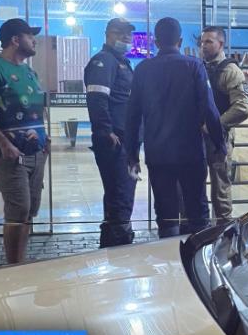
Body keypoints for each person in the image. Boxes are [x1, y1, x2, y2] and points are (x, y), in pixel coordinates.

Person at [125, 18, 227, 238]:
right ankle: (199, 251)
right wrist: (220, 144)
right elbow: (210, 109)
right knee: (197, 208)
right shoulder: (194, 66)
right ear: (180, 41)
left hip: (158, 154)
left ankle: (168, 251)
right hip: (190, 152)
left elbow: (132, 115)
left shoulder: (142, 70)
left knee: (166, 211)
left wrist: (132, 154)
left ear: (155, 42)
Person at [0, 18, 49, 264]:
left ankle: (20, 263)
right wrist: (4, 144)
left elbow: (37, 108)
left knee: (29, 210)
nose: (34, 40)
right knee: (18, 210)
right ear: (15, 40)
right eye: (30, 36)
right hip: (11, 154)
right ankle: (13, 268)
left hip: (37, 152)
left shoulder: (29, 72)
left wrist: (45, 138)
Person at [84, 17, 138, 247]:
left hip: (125, 139)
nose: (125, 37)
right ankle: (118, 246)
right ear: (107, 34)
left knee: (121, 194)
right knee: (120, 195)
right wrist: (106, 132)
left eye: (128, 33)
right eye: (119, 32)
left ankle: (116, 242)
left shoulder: (121, 62)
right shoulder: (103, 61)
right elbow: (97, 98)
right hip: (115, 140)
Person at [199, 26, 248, 224]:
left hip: (218, 138)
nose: (203, 46)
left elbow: (242, 109)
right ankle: (201, 231)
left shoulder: (230, 70)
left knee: (220, 190)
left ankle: (223, 231)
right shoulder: (200, 67)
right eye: (202, 42)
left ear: (221, 44)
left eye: (209, 41)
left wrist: (213, 125)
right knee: (195, 186)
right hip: (198, 138)